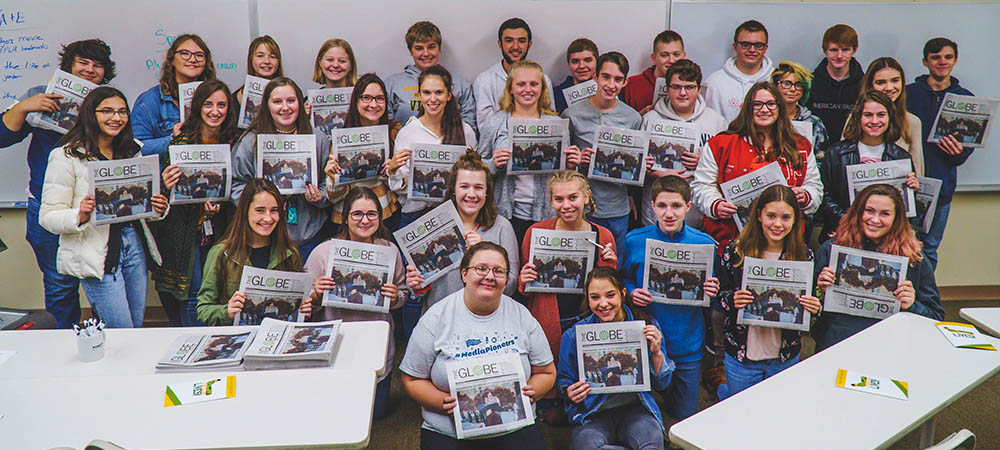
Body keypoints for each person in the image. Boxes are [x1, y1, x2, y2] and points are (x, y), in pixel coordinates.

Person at [0, 39, 115, 328]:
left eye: (97, 65)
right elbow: (3, 137)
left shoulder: (111, 103)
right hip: (48, 208)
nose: (90, 70)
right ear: (68, 65)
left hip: (96, 210)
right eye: (83, 63)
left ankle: (102, 344)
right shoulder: (41, 95)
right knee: (59, 286)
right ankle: (62, 348)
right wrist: (25, 107)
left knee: (103, 281)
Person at [400, 242, 555, 449]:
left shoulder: (521, 315)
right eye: (481, 268)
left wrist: (534, 391)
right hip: (450, 432)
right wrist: (440, 401)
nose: (490, 276)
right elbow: (411, 378)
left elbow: (547, 372)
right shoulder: (436, 317)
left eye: (498, 271)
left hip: (516, 427)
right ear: (464, 274)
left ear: (506, 279)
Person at [39, 86, 169, 328]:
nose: (116, 118)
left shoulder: (132, 150)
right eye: (107, 111)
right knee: (120, 330)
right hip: (96, 252)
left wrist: (157, 207)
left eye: (122, 112)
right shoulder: (67, 155)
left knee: (136, 326)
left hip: (133, 246)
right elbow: (47, 217)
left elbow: (139, 208)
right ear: (91, 114)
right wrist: (80, 214)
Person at [620, 175, 720, 420]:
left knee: (683, 415)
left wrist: (714, 290)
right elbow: (621, 279)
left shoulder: (705, 244)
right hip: (645, 343)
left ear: (688, 206)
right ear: (652, 206)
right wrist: (631, 291)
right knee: (647, 415)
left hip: (688, 344)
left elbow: (718, 298)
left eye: (676, 206)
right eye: (662, 206)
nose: (669, 213)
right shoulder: (634, 240)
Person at [305, 186, 406, 420]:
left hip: (377, 343)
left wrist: (395, 298)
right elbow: (305, 307)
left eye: (372, 214)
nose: (364, 220)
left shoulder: (390, 251)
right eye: (357, 214)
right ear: (345, 217)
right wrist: (316, 294)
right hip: (336, 342)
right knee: (337, 414)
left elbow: (403, 294)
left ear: (380, 218)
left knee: (375, 415)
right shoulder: (323, 252)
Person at [713, 185, 821, 399]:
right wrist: (732, 299)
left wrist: (815, 307)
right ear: (759, 215)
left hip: (784, 356)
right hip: (742, 356)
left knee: (776, 410)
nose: (778, 224)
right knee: (740, 409)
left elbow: (809, 310)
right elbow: (718, 297)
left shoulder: (804, 256)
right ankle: (721, 391)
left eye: (786, 217)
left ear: (795, 220)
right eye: (771, 215)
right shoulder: (736, 252)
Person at [692, 81, 822, 253]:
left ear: (780, 107)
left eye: (771, 104)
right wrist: (715, 204)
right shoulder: (721, 144)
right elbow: (702, 185)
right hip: (732, 240)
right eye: (757, 104)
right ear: (747, 108)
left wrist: (805, 195)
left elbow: (814, 187)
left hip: (784, 243)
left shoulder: (800, 145)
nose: (764, 109)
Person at [813, 184, 944, 351]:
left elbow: (936, 317)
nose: (875, 220)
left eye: (885, 214)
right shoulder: (830, 249)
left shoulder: (913, 258)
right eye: (869, 211)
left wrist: (912, 304)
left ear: (897, 219)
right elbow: (809, 312)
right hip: (836, 344)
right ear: (858, 212)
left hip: (889, 346)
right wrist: (820, 290)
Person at [558, 266, 675, 449]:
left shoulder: (647, 326)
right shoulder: (573, 336)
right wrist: (569, 391)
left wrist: (656, 353)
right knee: (586, 445)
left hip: (636, 410)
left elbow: (663, 384)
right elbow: (564, 381)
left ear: (622, 293)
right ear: (587, 299)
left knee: (652, 442)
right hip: (593, 413)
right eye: (595, 297)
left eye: (610, 295)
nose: (603, 304)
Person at [152, 79, 239, 326]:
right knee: (192, 295)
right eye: (208, 104)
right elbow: (160, 197)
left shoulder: (235, 142)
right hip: (183, 234)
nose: (215, 111)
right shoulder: (180, 143)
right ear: (198, 106)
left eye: (221, 105)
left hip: (220, 230)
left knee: (216, 292)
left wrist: (219, 205)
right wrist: (165, 183)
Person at [480, 60, 582, 243]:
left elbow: (566, 176)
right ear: (510, 88)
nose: (528, 89)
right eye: (521, 84)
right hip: (506, 215)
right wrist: (493, 164)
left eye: (534, 84)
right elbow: (477, 169)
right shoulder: (494, 123)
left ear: (542, 89)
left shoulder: (557, 125)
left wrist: (572, 165)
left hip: (548, 214)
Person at [519, 170, 618, 358]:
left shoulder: (603, 236)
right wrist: (524, 280)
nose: (566, 206)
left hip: (587, 319)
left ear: (586, 197)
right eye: (559, 199)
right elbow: (525, 291)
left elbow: (610, 290)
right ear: (551, 201)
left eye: (573, 197)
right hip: (546, 320)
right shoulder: (535, 232)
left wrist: (610, 265)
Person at [231, 77, 330, 261]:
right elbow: (236, 184)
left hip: (309, 235)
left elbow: (330, 181)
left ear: (300, 103)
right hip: (262, 236)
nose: (285, 108)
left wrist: (320, 196)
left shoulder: (319, 138)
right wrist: (258, 202)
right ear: (267, 106)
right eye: (277, 102)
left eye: (291, 101)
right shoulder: (251, 141)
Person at [405, 150, 519, 310]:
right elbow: (418, 290)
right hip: (440, 317)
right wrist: (416, 285)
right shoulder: (433, 224)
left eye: (478, 187)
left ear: (487, 192)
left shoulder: (502, 226)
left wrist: (483, 252)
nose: (471, 194)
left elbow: (511, 286)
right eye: (464, 186)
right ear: (453, 190)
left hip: (486, 316)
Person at [196, 178, 310, 326]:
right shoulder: (221, 253)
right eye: (260, 210)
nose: (267, 218)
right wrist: (227, 311)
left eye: (274, 211)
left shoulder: (290, 251)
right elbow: (204, 309)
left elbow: (297, 305)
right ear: (245, 211)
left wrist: (305, 308)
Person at [906, 37, 975, 270]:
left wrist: (958, 154)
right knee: (902, 246)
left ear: (955, 60)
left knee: (930, 248)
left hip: (941, 188)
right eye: (935, 57)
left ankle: (924, 300)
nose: (941, 62)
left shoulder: (965, 99)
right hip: (907, 185)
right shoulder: (908, 95)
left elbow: (964, 153)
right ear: (925, 62)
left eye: (947, 57)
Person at [563, 52, 643, 251]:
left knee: (612, 268)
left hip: (617, 209)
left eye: (618, 79)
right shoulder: (571, 114)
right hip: (582, 209)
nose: (611, 85)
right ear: (595, 77)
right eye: (606, 77)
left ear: (625, 83)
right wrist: (575, 160)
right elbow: (562, 165)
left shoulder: (633, 118)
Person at [640, 59, 726, 228]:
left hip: (697, 213)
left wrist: (705, 161)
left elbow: (727, 166)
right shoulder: (650, 119)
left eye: (689, 87)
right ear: (667, 89)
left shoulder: (716, 121)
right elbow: (635, 167)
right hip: (655, 214)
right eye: (676, 87)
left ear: (698, 89)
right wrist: (650, 171)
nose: (683, 93)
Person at [821, 91, 918, 237]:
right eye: (868, 115)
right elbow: (825, 196)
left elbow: (903, 210)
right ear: (858, 117)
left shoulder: (901, 157)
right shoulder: (836, 153)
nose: (874, 121)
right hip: (843, 233)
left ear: (890, 118)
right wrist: (848, 221)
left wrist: (912, 191)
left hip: (886, 236)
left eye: (881, 115)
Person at [391, 65, 477, 226]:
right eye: (427, 93)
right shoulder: (407, 133)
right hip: (416, 217)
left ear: (449, 95)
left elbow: (475, 176)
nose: (432, 99)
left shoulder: (466, 132)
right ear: (419, 95)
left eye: (439, 92)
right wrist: (393, 171)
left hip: (457, 214)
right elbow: (401, 189)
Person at [324, 73, 404, 234]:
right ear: (356, 101)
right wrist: (333, 177)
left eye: (379, 98)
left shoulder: (395, 131)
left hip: (385, 215)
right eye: (366, 98)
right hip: (347, 218)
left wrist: (392, 171)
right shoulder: (342, 137)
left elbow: (403, 186)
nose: (373, 104)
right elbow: (332, 197)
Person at [133, 34, 216, 157]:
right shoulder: (148, 101)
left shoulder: (216, 97)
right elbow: (136, 149)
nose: (192, 59)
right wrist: (172, 140)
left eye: (199, 55)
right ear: (172, 60)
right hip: (166, 173)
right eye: (184, 53)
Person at [385, 21, 476, 128]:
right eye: (419, 48)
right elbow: (386, 126)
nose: (426, 53)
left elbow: (469, 125)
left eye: (431, 47)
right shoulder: (393, 84)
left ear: (439, 49)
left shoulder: (460, 84)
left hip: (449, 143)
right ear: (410, 51)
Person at [473, 17, 555, 128]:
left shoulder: (543, 79)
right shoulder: (484, 80)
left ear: (529, 44)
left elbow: (550, 119)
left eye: (521, 41)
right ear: (500, 44)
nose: (515, 46)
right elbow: (486, 127)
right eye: (509, 40)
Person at [856, 57, 924, 176]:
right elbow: (842, 164)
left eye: (895, 80)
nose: (889, 87)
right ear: (870, 85)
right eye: (881, 82)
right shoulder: (856, 117)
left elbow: (917, 170)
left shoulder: (912, 122)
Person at [703, 20, 775, 123]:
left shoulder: (777, 80)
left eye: (758, 45)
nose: (752, 50)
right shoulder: (714, 82)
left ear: (765, 48)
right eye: (745, 45)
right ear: (735, 47)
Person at [806, 24, 864, 143]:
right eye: (833, 50)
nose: (839, 56)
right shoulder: (810, 82)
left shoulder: (865, 84)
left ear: (855, 50)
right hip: (817, 151)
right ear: (825, 50)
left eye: (845, 50)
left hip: (853, 152)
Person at [771, 61, 830, 163]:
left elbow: (822, 159)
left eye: (798, 84)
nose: (793, 89)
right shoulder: (767, 118)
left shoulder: (814, 123)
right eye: (787, 84)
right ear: (775, 86)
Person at [620, 30, 687, 115]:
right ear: (654, 58)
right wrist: (640, 117)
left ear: (684, 56)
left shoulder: (691, 88)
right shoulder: (631, 86)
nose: (671, 60)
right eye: (664, 55)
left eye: (676, 54)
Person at [233, 35, 283, 106]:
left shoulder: (291, 93)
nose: (267, 61)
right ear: (251, 59)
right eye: (260, 56)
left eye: (272, 57)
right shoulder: (235, 98)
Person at [552, 38, 599, 114]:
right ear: (569, 64)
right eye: (575, 61)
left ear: (597, 62)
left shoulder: (608, 89)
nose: (581, 66)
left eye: (588, 60)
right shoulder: (557, 94)